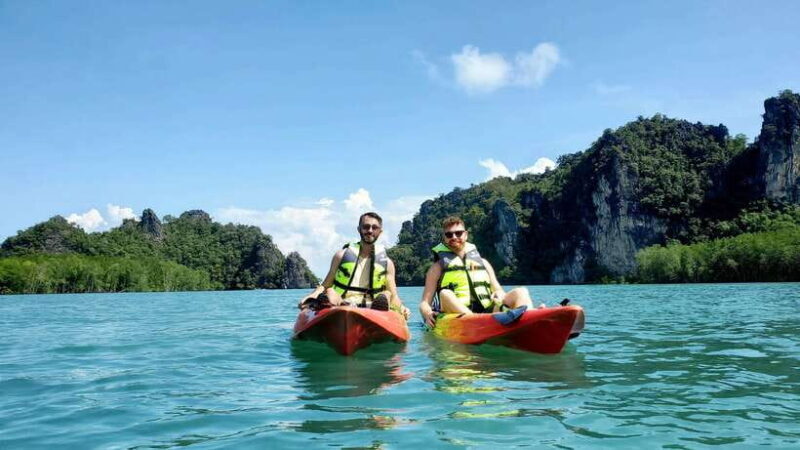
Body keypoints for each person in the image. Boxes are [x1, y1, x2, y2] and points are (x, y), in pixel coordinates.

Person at [419, 216, 538, 328]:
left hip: (487, 312)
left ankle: (531, 321)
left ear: (465, 235)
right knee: (445, 294)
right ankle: (477, 322)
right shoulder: (436, 268)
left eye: (458, 233)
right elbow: (424, 303)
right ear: (444, 238)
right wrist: (427, 313)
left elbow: (498, 290)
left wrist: (499, 295)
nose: (454, 237)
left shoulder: (484, 263)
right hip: (455, 314)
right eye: (449, 235)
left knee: (521, 291)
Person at [299, 212, 410, 319]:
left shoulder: (387, 263)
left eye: (374, 228)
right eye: (366, 227)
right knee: (330, 292)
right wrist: (312, 296)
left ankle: (378, 311)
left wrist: (401, 308)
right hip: (342, 303)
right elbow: (325, 285)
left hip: (373, 307)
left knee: (386, 294)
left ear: (380, 231)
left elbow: (394, 295)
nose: (370, 231)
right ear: (359, 229)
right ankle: (332, 306)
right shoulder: (340, 256)